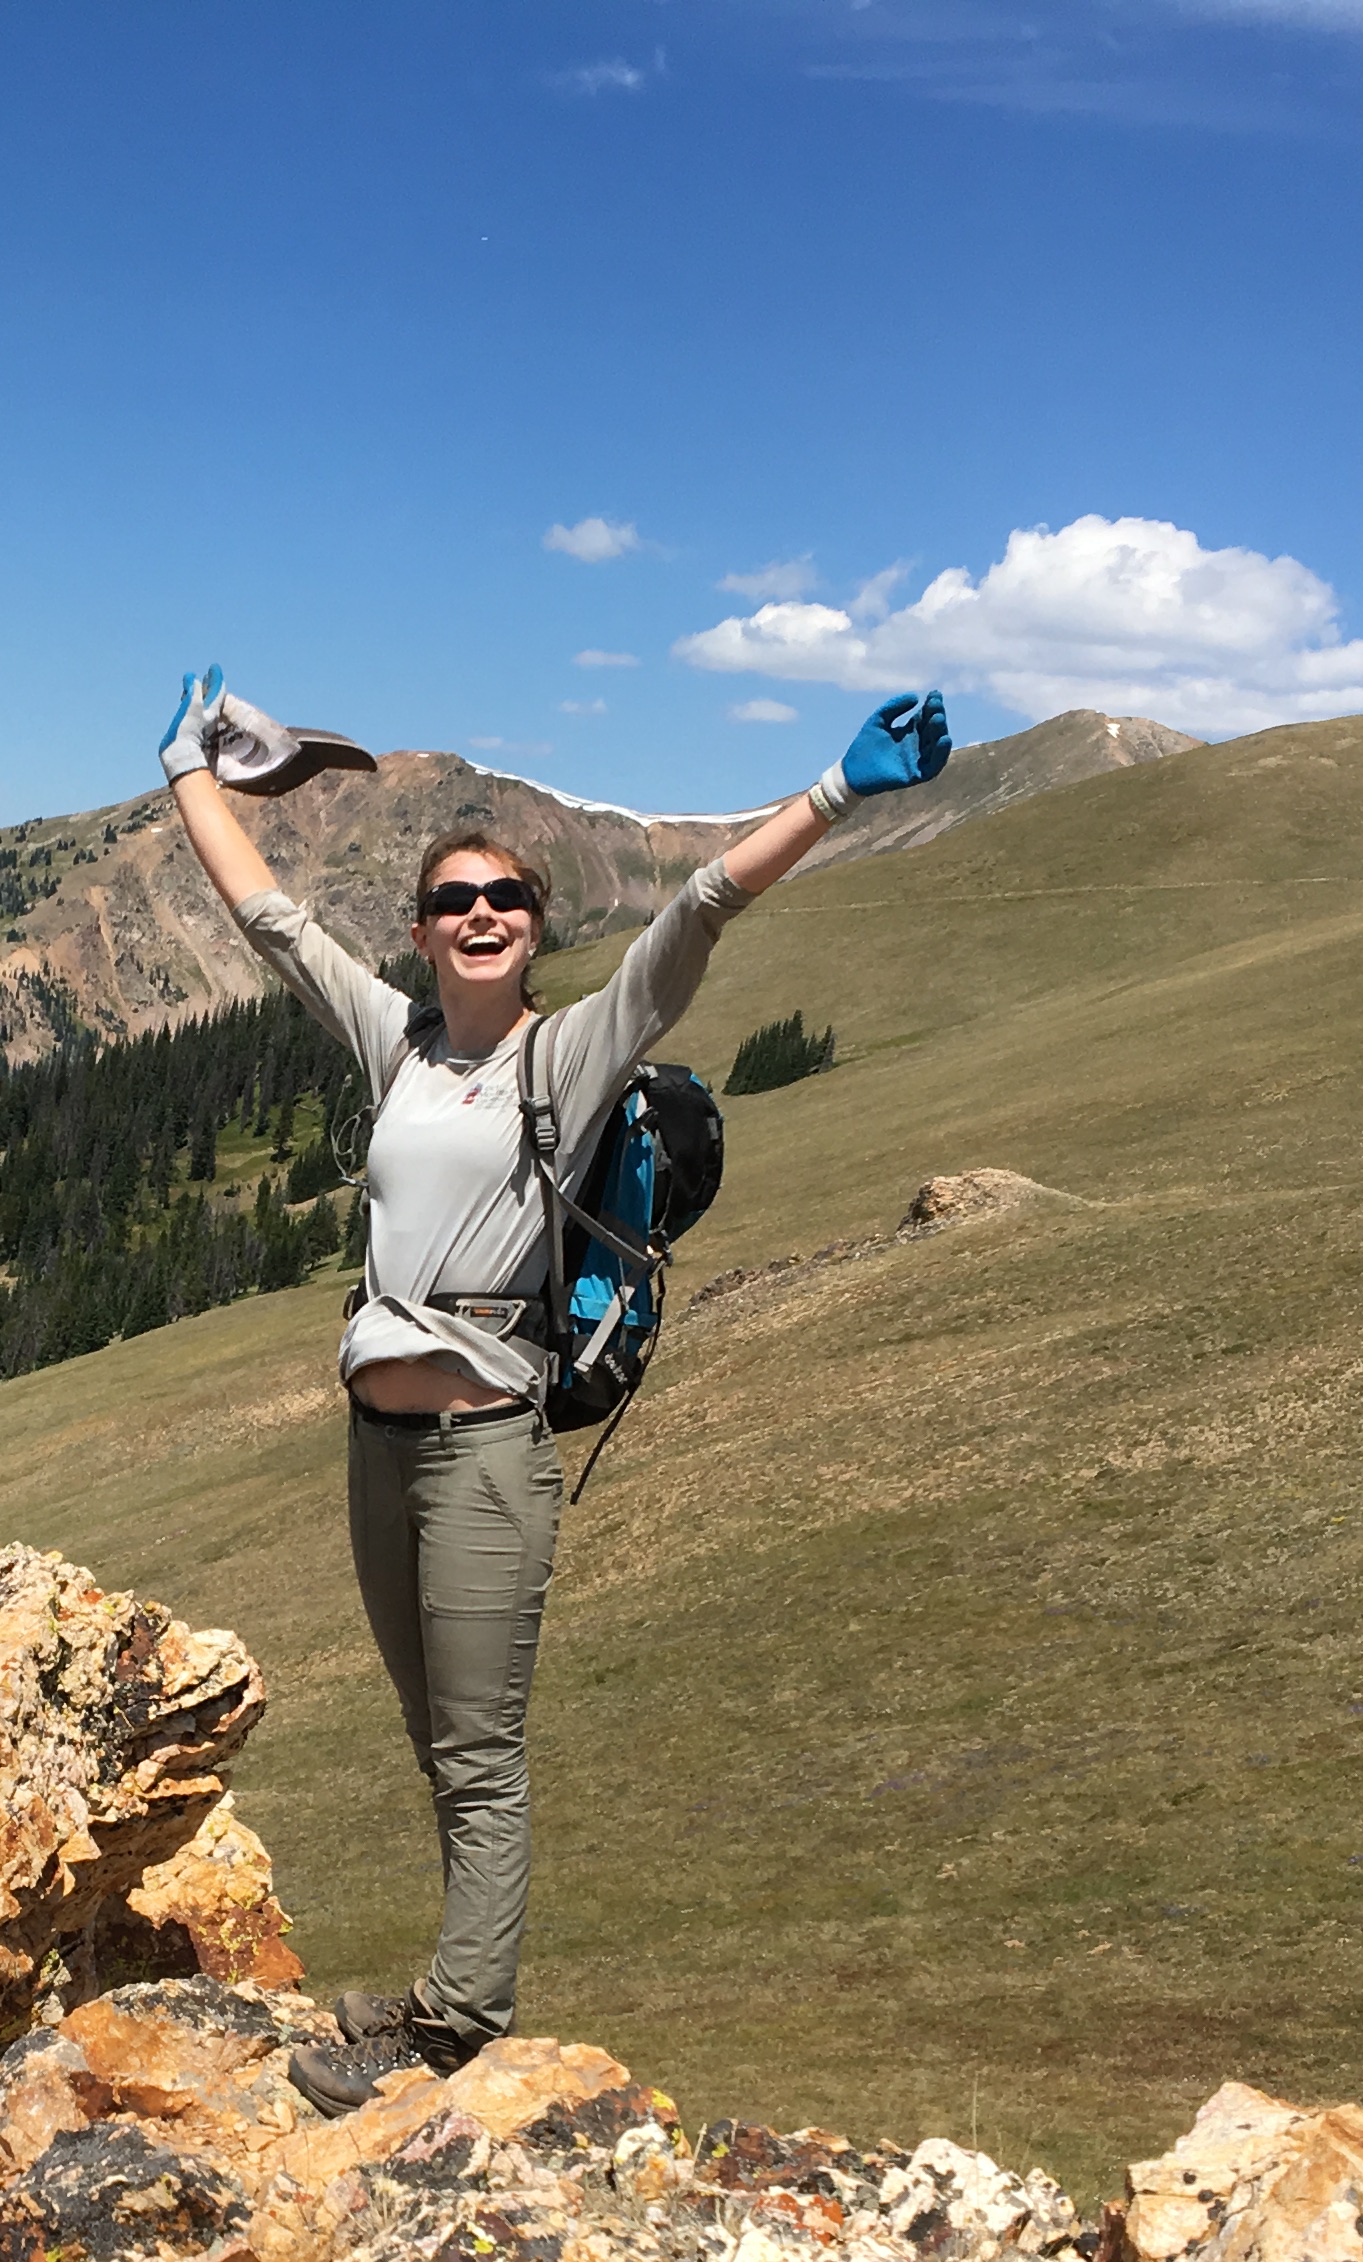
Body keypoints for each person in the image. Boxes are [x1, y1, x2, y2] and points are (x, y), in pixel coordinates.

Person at [158, 667, 948, 2114]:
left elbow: (699, 907)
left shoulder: (571, 1056)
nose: (478, 913)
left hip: (481, 1451)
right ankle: (440, 1993)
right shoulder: (392, 1041)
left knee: (480, 1747)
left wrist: (837, 790)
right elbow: (267, 919)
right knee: (431, 1736)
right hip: (375, 1450)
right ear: (419, 926)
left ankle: (457, 2025)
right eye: (454, 896)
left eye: (506, 899)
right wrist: (184, 769)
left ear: (534, 930)